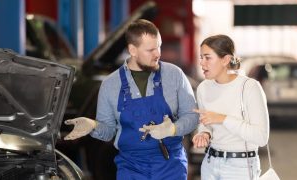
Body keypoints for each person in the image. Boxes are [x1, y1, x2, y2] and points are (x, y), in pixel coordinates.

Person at [64, 19, 198, 180]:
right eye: (151, 49)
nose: (158, 54)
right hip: (131, 169)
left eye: (159, 46)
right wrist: (92, 125)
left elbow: (192, 116)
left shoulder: (175, 75)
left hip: (170, 167)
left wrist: (173, 129)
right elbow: (108, 132)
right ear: (132, 50)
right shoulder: (111, 84)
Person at [192, 34, 269, 180]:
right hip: (210, 163)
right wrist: (205, 134)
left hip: (241, 168)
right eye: (201, 57)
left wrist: (223, 119)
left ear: (225, 60)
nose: (202, 63)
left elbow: (261, 137)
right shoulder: (203, 88)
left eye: (207, 58)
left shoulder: (249, 87)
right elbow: (205, 123)